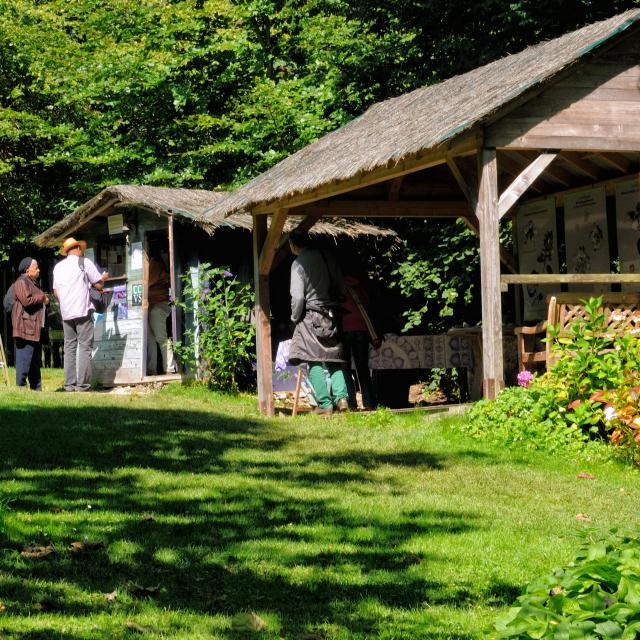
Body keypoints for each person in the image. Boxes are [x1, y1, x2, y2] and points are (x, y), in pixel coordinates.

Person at [287, 230, 349, 416]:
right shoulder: (327, 257)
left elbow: (298, 298)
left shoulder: (298, 264)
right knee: (333, 358)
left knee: (312, 358)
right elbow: (342, 289)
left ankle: (324, 404)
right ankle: (342, 398)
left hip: (311, 315)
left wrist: (294, 317)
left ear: (292, 244)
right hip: (332, 314)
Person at [53, 237, 109, 392]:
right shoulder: (84, 262)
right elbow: (98, 284)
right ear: (77, 249)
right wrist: (103, 278)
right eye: (81, 249)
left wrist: (67, 299)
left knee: (69, 347)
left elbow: (56, 292)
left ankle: (69, 385)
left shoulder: (57, 268)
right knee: (84, 346)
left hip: (66, 312)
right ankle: (83, 385)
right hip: (82, 310)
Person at [11, 257, 49, 390]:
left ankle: (36, 388)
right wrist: (42, 297)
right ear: (27, 270)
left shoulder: (31, 283)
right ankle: (20, 387)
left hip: (33, 327)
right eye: (36, 268)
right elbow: (26, 301)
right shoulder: (21, 282)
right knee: (24, 359)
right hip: (25, 327)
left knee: (34, 361)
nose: (39, 270)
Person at [342, 274, 378, 411]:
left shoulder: (338, 285)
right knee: (362, 367)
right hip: (361, 329)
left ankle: (351, 403)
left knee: (345, 368)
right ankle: (368, 403)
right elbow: (366, 303)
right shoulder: (358, 285)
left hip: (344, 329)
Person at [147, 245, 176, 375]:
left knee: (160, 337)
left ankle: (169, 368)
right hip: (154, 304)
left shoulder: (155, 262)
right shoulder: (155, 262)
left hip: (159, 304)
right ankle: (152, 368)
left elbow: (148, 281)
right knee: (152, 339)